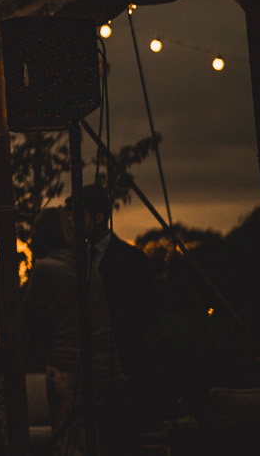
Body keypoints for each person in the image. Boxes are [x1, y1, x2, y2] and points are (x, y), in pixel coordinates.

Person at [22, 208, 122, 454]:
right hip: (105, 364)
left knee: (68, 439)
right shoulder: (87, 265)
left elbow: (28, 315)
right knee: (96, 439)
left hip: (67, 365)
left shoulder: (46, 269)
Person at [75, 183, 150, 452]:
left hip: (122, 360)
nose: (73, 222)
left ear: (97, 217)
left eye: (78, 215)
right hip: (85, 362)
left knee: (122, 437)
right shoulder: (77, 260)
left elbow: (143, 313)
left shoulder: (131, 259)